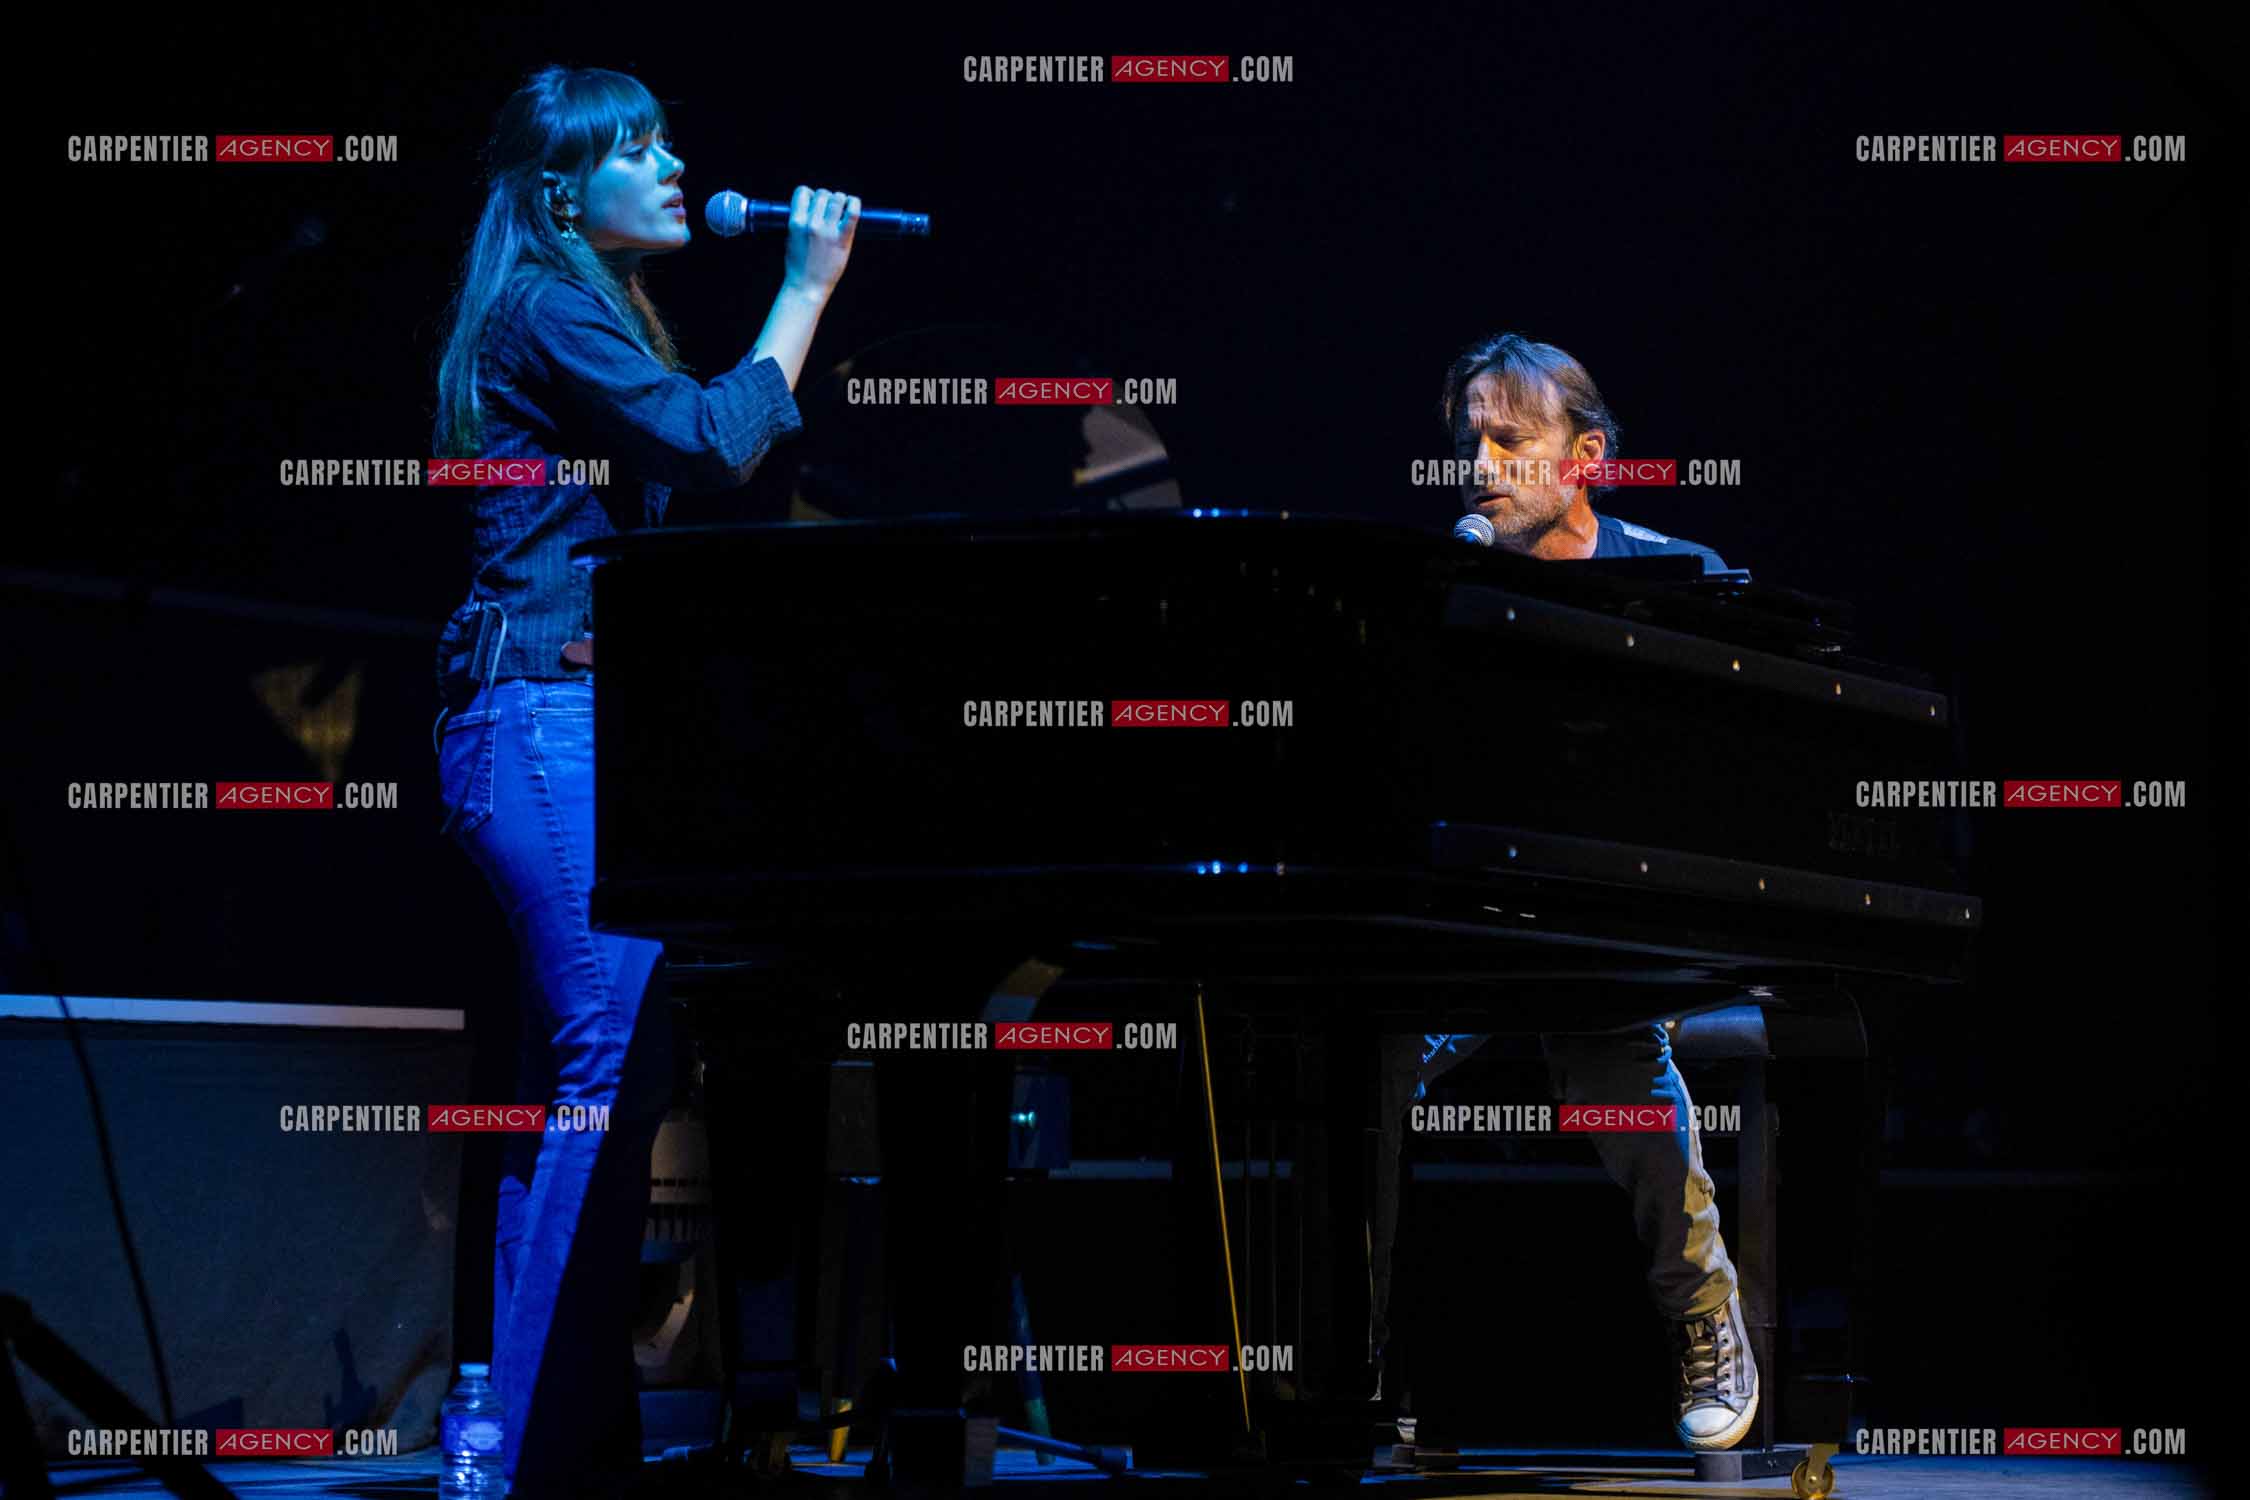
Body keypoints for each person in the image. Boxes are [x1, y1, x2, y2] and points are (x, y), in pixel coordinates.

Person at [428, 64, 857, 1498]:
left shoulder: (591, 310)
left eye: (672, 138)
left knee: (611, 1065)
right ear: (563, 189)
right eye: (642, 147)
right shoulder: (544, 306)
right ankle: (529, 1442)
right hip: (538, 714)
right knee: (607, 1064)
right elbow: (714, 441)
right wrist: (805, 287)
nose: (679, 166)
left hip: (572, 717)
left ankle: (541, 1427)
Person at [1372, 332, 1754, 1452]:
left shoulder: (1678, 578)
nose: (1482, 465)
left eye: (1509, 440)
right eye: (1468, 443)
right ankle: (1357, 1353)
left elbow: (1726, 780)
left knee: (1616, 1050)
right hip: (1472, 929)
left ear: (1582, 456)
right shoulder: (1441, 588)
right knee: (1364, 1059)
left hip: (1617, 928)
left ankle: (1706, 1317)